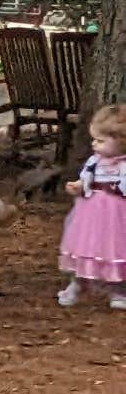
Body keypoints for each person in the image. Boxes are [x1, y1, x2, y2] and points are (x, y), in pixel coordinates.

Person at [58, 104, 126, 311]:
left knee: (115, 249)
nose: (95, 145)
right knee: (86, 247)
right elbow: (87, 179)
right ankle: (76, 284)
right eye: (94, 140)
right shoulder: (94, 162)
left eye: (101, 141)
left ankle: (118, 289)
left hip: (118, 213)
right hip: (91, 212)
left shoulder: (123, 165)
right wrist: (78, 186)